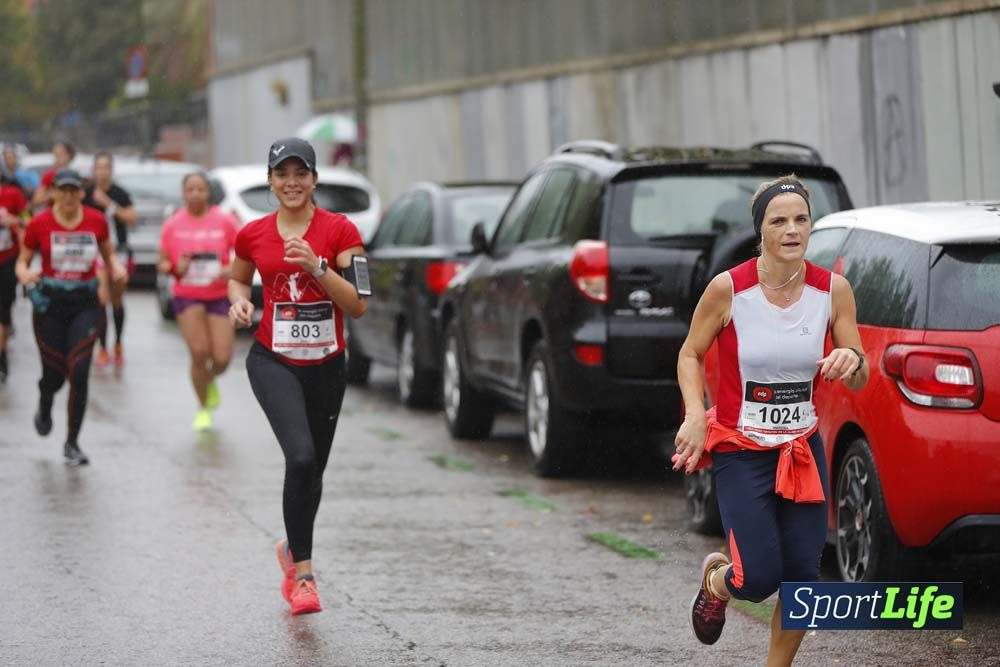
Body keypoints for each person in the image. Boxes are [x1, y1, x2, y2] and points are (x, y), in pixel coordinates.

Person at [672, 175, 868, 665]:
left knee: (803, 579)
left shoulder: (832, 290)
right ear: (760, 230)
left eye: (801, 219)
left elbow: (860, 371)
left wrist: (851, 360)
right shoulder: (729, 289)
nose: (791, 229)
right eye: (778, 221)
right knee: (756, 579)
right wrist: (697, 413)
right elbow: (690, 353)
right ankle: (718, 580)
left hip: (800, 448)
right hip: (742, 449)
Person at [228, 138, 366, 615]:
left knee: (313, 472)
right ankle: (303, 577)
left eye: (300, 174)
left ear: (313, 180)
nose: (291, 183)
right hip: (273, 360)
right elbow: (237, 276)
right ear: (270, 181)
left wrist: (317, 266)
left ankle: (291, 548)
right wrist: (240, 301)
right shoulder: (253, 233)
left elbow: (360, 304)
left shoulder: (342, 230)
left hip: (327, 365)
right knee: (301, 456)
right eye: (282, 174)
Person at [15, 168, 127, 465]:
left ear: (80, 193)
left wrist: (115, 267)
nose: (67, 196)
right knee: (54, 374)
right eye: (61, 190)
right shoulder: (39, 223)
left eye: (72, 190)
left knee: (78, 371)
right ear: (52, 192)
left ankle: (72, 442)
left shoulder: (96, 220)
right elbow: (22, 261)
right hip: (50, 305)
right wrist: (25, 273)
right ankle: (45, 399)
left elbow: (108, 253)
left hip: (85, 303)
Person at [158, 172, 240, 431]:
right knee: (199, 352)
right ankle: (203, 408)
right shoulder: (173, 224)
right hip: (187, 294)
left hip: (218, 295)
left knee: (222, 358)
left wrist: (231, 269)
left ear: (208, 193)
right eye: (190, 189)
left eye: (200, 189)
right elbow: (161, 263)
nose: (195, 194)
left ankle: (210, 379)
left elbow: (245, 254)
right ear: (183, 194)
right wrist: (174, 267)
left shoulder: (225, 220)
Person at [84, 152, 137, 369]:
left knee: (116, 300)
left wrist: (108, 204)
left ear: (111, 170)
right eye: (98, 167)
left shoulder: (119, 193)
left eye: (106, 167)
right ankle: (103, 347)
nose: (102, 171)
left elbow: (132, 219)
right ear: (93, 170)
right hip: (94, 252)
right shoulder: (84, 193)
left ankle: (118, 343)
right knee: (100, 299)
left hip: (118, 252)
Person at [0, 174, 29, 382]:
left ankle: (1, 356)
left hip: (7, 259)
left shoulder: (13, 194)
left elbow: (29, 218)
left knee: (4, 308)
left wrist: (14, 220)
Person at [32, 140, 76, 209]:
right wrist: (51, 195)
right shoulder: (50, 175)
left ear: (70, 155)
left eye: (61, 154)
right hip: (53, 215)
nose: (57, 158)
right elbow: (36, 201)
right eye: (55, 155)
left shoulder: (76, 175)